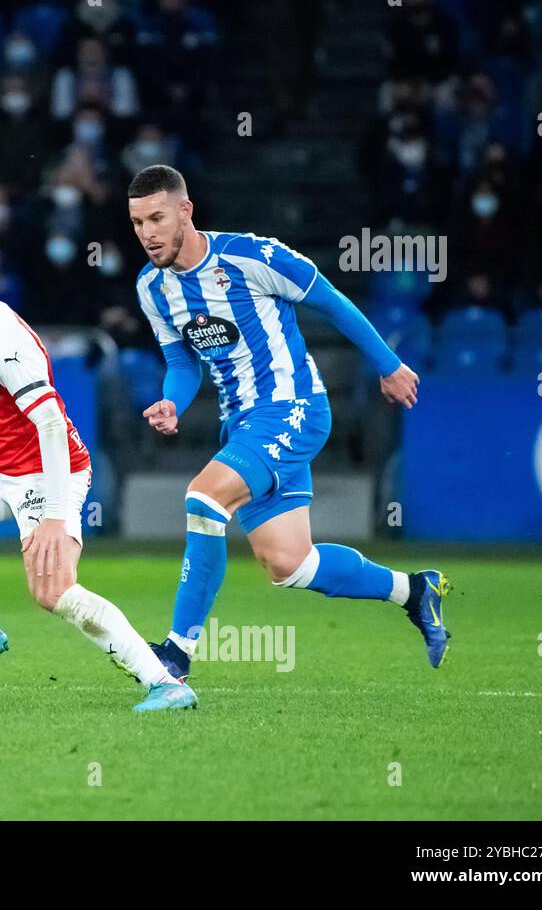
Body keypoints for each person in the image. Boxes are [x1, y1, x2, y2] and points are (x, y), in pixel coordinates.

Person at [126, 165, 452, 706]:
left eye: (157, 217)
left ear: (187, 211)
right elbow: (182, 363)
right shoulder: (152, 289)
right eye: (137, 222)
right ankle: (415, 590)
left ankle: (176, 656)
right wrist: (171, 400)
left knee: (204, 499)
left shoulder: (251, 257)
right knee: (289, 563)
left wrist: (388, 365)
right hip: (243, 424)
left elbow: (331, 301)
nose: (147, 233)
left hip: (292, 408)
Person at [0, 221, 195, 713]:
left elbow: (48, 423)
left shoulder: (0, 337)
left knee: (54, 592)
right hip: (2, 466)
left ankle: (165, 683)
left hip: (53, 472)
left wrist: (50, 515)